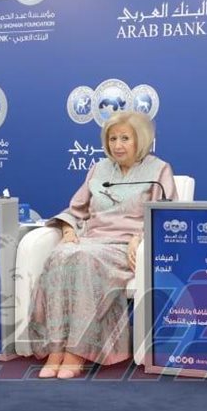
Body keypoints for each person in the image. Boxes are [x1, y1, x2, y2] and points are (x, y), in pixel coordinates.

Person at [28, 111, 176, 378]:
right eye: (112, 139)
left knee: (85, 259)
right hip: (91, 239)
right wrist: (67, 230)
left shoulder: (159, 170)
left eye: (125, 138)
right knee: (59, 255)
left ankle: (77, 352)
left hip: (124, 246)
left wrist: (140, 237)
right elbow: (76, 209)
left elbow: (165, 216)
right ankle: (56, 349)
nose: (117, 145)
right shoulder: (99, 169)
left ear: (140, 140)